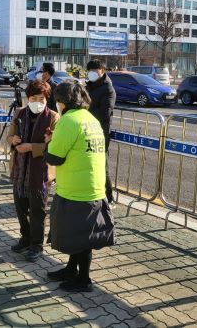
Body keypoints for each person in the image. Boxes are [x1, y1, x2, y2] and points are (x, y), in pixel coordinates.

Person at [44, 81, 115, 293]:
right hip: (93, 187)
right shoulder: (90, 119)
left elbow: (54, 157)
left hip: (75, 189)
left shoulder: (68, 121)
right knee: (80, 235)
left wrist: (49, 141)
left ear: (62, 102)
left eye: (57, 101)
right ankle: (71, 269)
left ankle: (83, 279)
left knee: (82, 238)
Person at [6, 80, 59, 262]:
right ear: (27, 98)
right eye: (34, 98)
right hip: (19, 170)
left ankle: (37, 244)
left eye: (41, 98)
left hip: (41, 173)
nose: (38, 102)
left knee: (38, 211)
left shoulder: (53, 117)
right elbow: (9, 134)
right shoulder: (20, 113)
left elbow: (54, 145)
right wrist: (13, 140)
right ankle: (25, 237)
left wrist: (31, 147)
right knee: (20, 207)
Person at [85, 59, 116, 204]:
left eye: (95, 70)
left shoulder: (108, 88)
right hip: (85, 131)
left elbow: (105, 112)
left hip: (100, 132)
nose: (92, 73)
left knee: (102, 165)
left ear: (102, 71)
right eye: (90, 70)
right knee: (88, 164)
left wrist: (84, 114)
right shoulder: (89, 86)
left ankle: (109, 198)